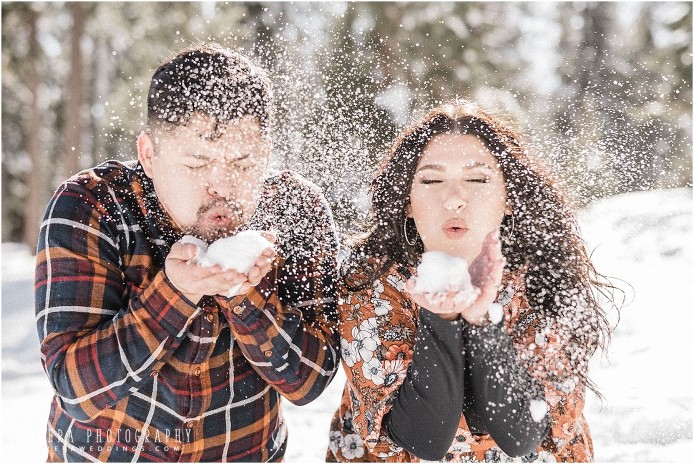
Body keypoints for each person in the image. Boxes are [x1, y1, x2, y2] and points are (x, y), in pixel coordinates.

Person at [35, 43, 340, 462]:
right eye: (197, 164)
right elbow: (75, 388)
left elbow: (311, 381)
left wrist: (245, 299)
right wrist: (175, 293)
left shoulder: (294, 209)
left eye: (243, 163)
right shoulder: (91, 205)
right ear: (149, 155)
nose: (222, 185)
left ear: (266, 155)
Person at [327, 100, 617, 462]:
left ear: (508, 198)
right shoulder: (372, 282)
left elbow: (519, 433)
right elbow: (424, 437)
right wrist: (440, 318)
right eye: (431, 180)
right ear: (407, 202)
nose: (453, 200)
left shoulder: (545, 277)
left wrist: (482, 319)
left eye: (477, 179)